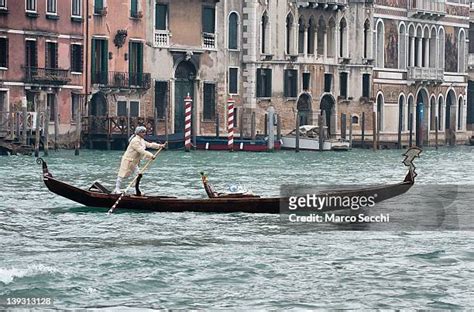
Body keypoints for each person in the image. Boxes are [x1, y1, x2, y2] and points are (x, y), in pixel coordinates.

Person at [113, 126, 165, 194]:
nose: (144, 133)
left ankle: (136, 190)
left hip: (134, 162)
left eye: (145, 132)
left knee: (138, 175)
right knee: (121, 175)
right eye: (143, 132)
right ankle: (116, 189)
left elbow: (149, 145)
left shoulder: (141, 140)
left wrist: (159, 146)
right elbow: (141, 150)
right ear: (138, 133)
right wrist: (151, 156)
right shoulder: (135, 141)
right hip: (128, 160)